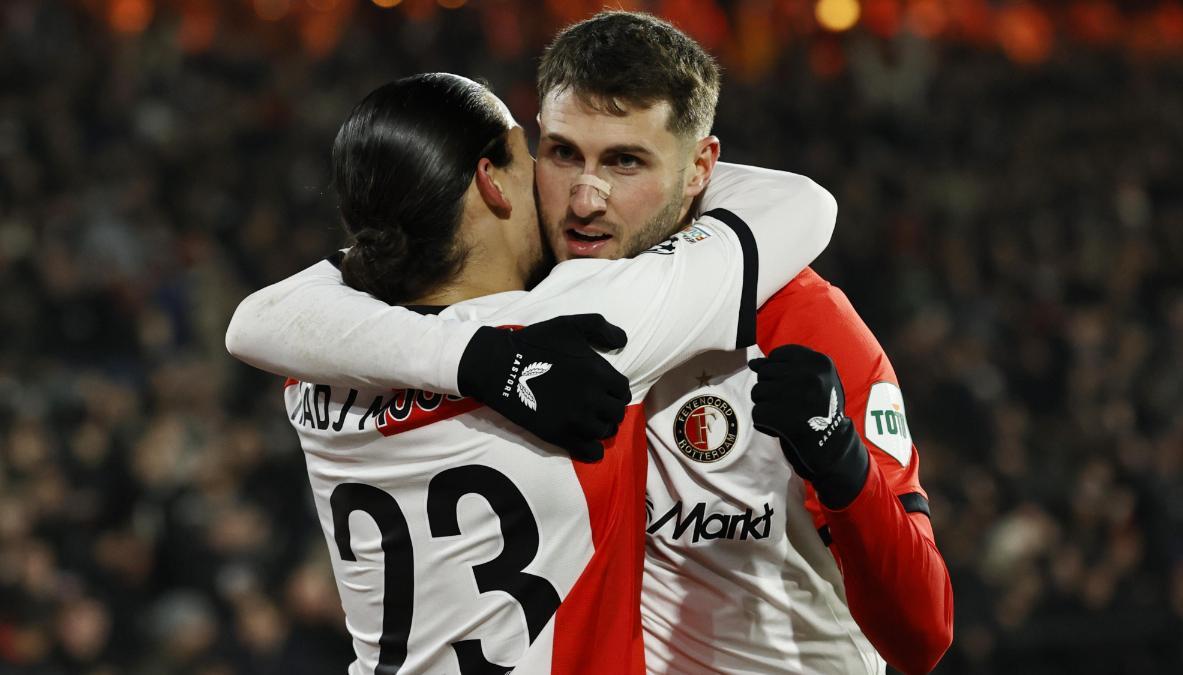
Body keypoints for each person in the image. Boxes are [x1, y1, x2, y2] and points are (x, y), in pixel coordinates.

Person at [227, 12, 953, 674]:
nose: (584, 198)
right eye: (563, 153)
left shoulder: (799, 319)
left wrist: (844, 468)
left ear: (702, 169)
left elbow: (922, 633)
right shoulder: (535, 299)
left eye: (626, 163)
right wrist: (486, 363)